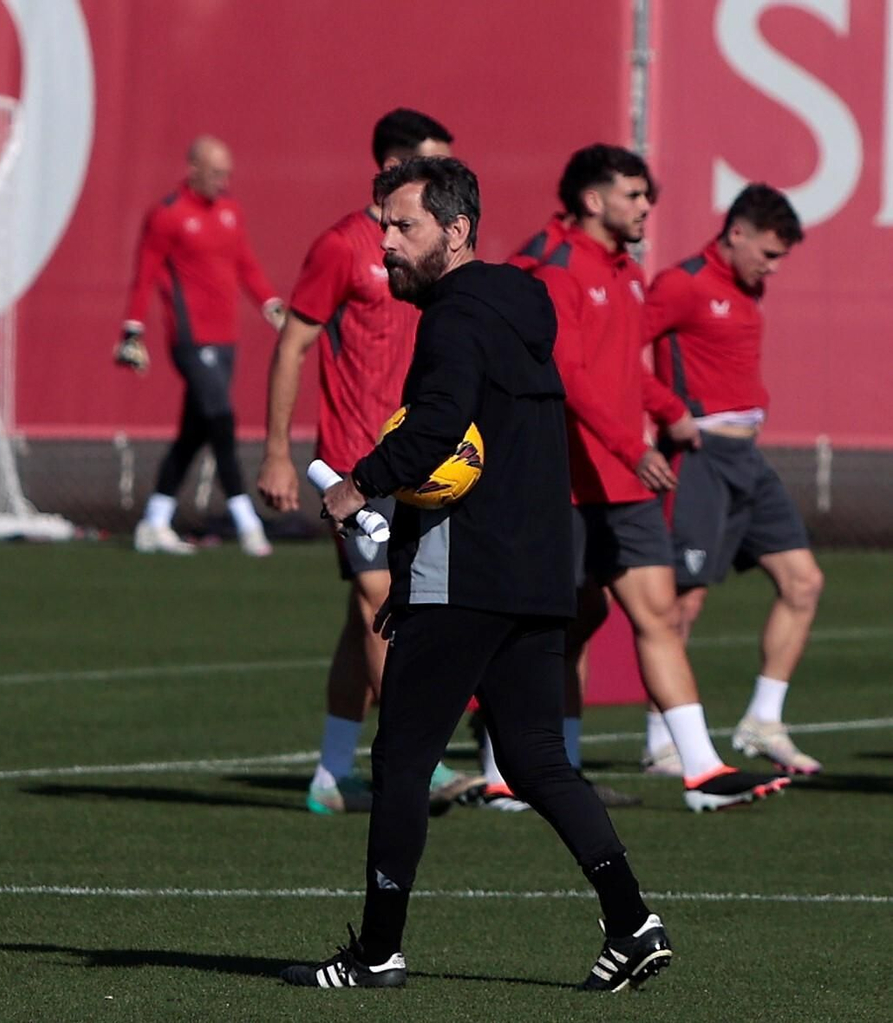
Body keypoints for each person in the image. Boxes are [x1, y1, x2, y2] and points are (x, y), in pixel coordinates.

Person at [283, 156, 671, 992]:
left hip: (466, 574)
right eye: (384, 224)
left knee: (401, 760)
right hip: (537, 573)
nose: (385, 242)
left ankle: (378, 949)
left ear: (455, 233)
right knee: (534, 760)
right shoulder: (520, 303)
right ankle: (632, 920)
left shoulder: (452, 321)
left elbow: (436, 432)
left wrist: (358, 485)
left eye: (404, 227)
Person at [526, 144, 786, 812]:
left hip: (624, 481)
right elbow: (567, 373)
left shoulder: (626, 271)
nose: (647, 206)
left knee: (658, 615)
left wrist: (669, 412)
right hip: (566, 480)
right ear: (593, 200)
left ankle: (701, 771)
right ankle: (512, 772)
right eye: (635, 195)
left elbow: (621, 370)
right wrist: (626, 441)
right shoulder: (556, 267)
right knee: (545, 627)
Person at [257, 108, 478, 814]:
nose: (443, 176)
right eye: (430, 162)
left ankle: (329, 773)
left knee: (368, 617)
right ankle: (421, 756)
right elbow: (292, 344)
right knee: (382, 602)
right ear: (391, 167)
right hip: (356, 463)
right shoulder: (343, 247)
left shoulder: (431, 251)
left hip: (421, 457)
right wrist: (278, 454)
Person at [643, 183, 824, 775]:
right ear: (737, 232)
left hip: (749, 457)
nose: (772, 267)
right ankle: (661, 741)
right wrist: (667, 415)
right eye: (769, 253)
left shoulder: (750, 287)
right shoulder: (682, 282)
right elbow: (620, 351)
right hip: (700, 458)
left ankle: (761, 720)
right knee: (683, 601)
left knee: (804, 582)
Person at [117, 135, 285, 555]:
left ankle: (154, 522)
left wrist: (270, 304)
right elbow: (144, 274)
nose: (222, 181)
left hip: (227, 338)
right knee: (221, 418)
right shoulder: (168, 215)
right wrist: (132, 330)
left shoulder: (230, 211)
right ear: (193, 169)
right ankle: (247, 521)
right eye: (215, 173)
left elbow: (245, 262)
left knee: (195, 431)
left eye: (226, 173)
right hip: (191, 339)